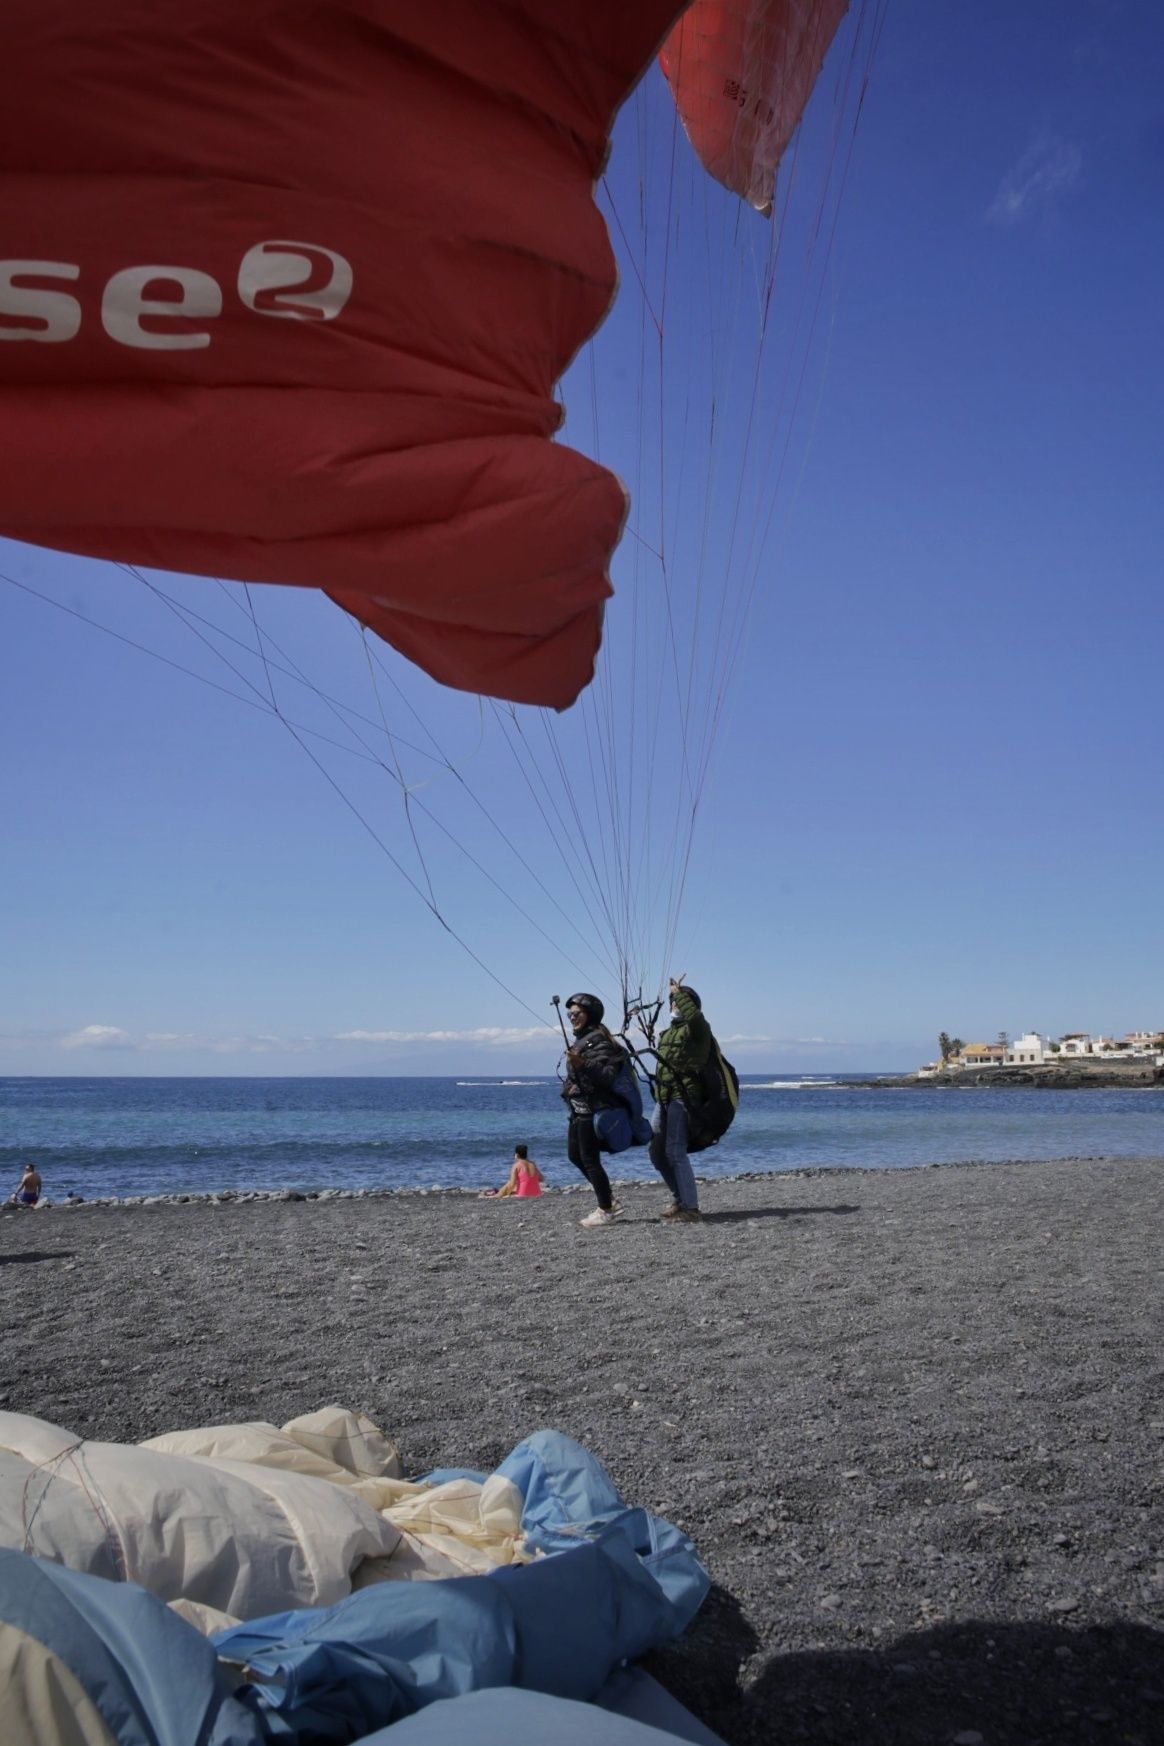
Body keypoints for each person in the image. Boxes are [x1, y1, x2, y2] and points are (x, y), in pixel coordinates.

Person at [560, 992, 626, 1228]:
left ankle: (606, 1209)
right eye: (570, 1014)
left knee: (589, 1159)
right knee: (574, 1156)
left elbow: (607, 1076)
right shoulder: (583, 1040)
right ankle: (609, 1199)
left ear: (590, 1014)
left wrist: (582, 1063)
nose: (572, 1017)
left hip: (592, 1108)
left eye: (576, 1013)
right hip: (578, 1108)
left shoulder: (599, 1041)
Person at [651, 977, 712, 1223]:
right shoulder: (669, 1033)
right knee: (656, 1151)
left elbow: (695, 1018)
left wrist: (679, 993)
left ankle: (691, 1207)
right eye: (673, 1001)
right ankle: (679, 1197)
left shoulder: (698, 1028)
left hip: (683, 1096)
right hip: (664, 1097)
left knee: (675, 1151)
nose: (675, 1004)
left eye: (679, 1001)